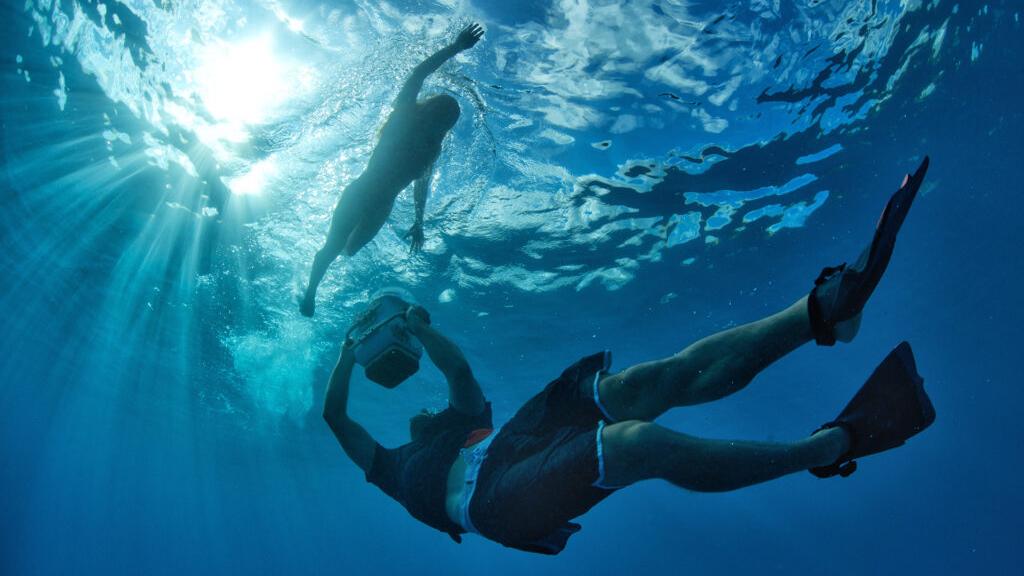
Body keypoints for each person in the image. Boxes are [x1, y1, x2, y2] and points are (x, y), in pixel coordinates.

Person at [321, 158, 935, 554]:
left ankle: (821, 313)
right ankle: (829, 447)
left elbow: (455, 371)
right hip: (493, 503)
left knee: (645, 382)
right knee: (635, 444)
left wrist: (416, 324)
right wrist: (351, 352)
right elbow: (336, 420)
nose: (423, 414)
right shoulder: (393, 470)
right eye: (419, 420)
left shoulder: (458, 424)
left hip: (513, 440)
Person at [301, 23, 485, 317]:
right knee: (334, 246)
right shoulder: (404, 113)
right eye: (444, 111)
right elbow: (419, 74)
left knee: (350, 250)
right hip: (361, 191)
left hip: (382, 206)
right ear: (431, 107)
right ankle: (310, 292)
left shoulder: (430, 150)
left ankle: (328, 258)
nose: (446, 120)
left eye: (450, 119)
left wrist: (419, 222)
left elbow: (421, 185)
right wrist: (456, 47)